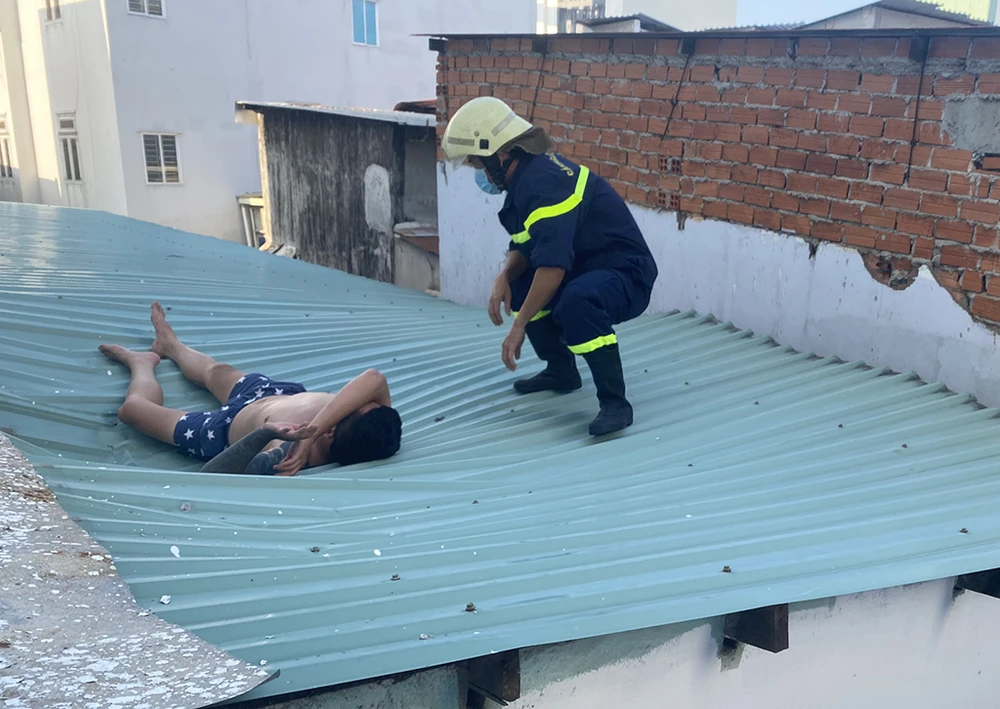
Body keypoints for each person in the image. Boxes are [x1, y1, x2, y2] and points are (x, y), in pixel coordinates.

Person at [441, 96, 659, 436]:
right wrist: (504, 276)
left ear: (500, 154)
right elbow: (529, 248)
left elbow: (553, 268)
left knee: (577, 300)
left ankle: (616, 404)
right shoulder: (525, 180)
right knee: (521, 283)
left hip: (627, 274)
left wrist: (518, 327)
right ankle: (561, 371)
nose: (480, 173)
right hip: (587, 266)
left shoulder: (543, 185)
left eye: (479, 163)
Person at [99, 302, 402, 476]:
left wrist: (266, 435)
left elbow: (212, 476)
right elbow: (374, 379)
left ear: (331, 432)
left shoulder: (287, 454)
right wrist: (313, 433)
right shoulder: (374, 424)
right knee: (214, 371)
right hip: (274, 393)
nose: (357, 400)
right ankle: (170, 346)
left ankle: (141, 364)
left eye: (354, 406)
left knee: (132, 410)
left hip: (224, 429)